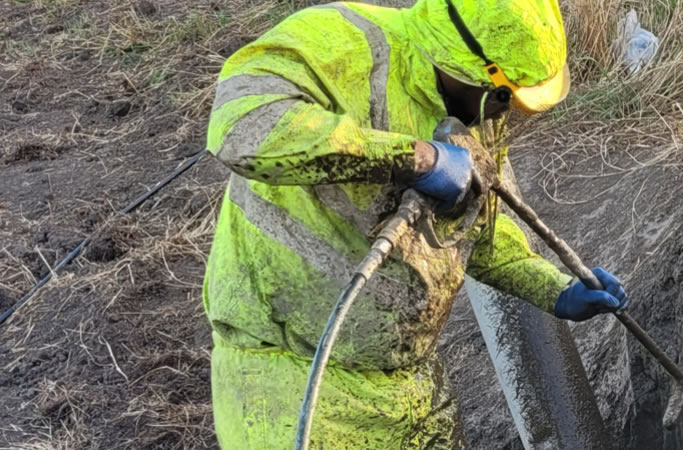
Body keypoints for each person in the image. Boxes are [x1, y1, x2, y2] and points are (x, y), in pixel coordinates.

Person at [199, 0, 627, 447]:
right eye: (505, 96)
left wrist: (556, 289)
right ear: (463, 66)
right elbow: (241, 128)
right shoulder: (339, 42)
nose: (506, 113)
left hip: (411, 382)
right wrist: (415, 159)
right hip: (292, 378)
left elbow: (477, 233)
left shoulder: (475, 110)